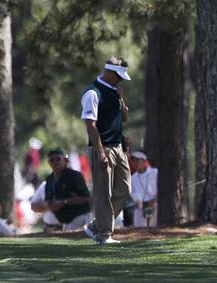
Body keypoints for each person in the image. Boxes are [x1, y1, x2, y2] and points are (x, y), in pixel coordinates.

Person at [81, 56, 131, 244]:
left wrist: (121, 97)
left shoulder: (114, 92)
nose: (120, 79)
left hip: (118, 147)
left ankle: (96, 225)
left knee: (125, 189)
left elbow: (124, 118)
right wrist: (100, 152)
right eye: (118, 75)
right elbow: (91, 125)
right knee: (103, 193)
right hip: (102, 148)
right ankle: (103, 235)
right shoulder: (93, 93)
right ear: (109, 72)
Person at [44, 148, 92, 231]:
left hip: (80, 217)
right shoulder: (49, 179)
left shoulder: (75, 176)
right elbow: (48, 201)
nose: (55, 162)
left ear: (65, 161)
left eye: (58, 159)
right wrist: (52, 206)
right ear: (49, 163)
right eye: (52, 160)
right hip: (65, 222)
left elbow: (87, 198)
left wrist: (64, 202)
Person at [130, 150, 158, 227]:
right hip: (141, 207)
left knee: (153, 226)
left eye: (137, 160)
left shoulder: (155, 172)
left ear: (144, 160)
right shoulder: (133, 178)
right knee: (139, 228)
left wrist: (154, 200)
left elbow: (162, 189)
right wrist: (136, 201)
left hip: (154, 204)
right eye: (133, 161)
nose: (135, 163)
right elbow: (133, 193)